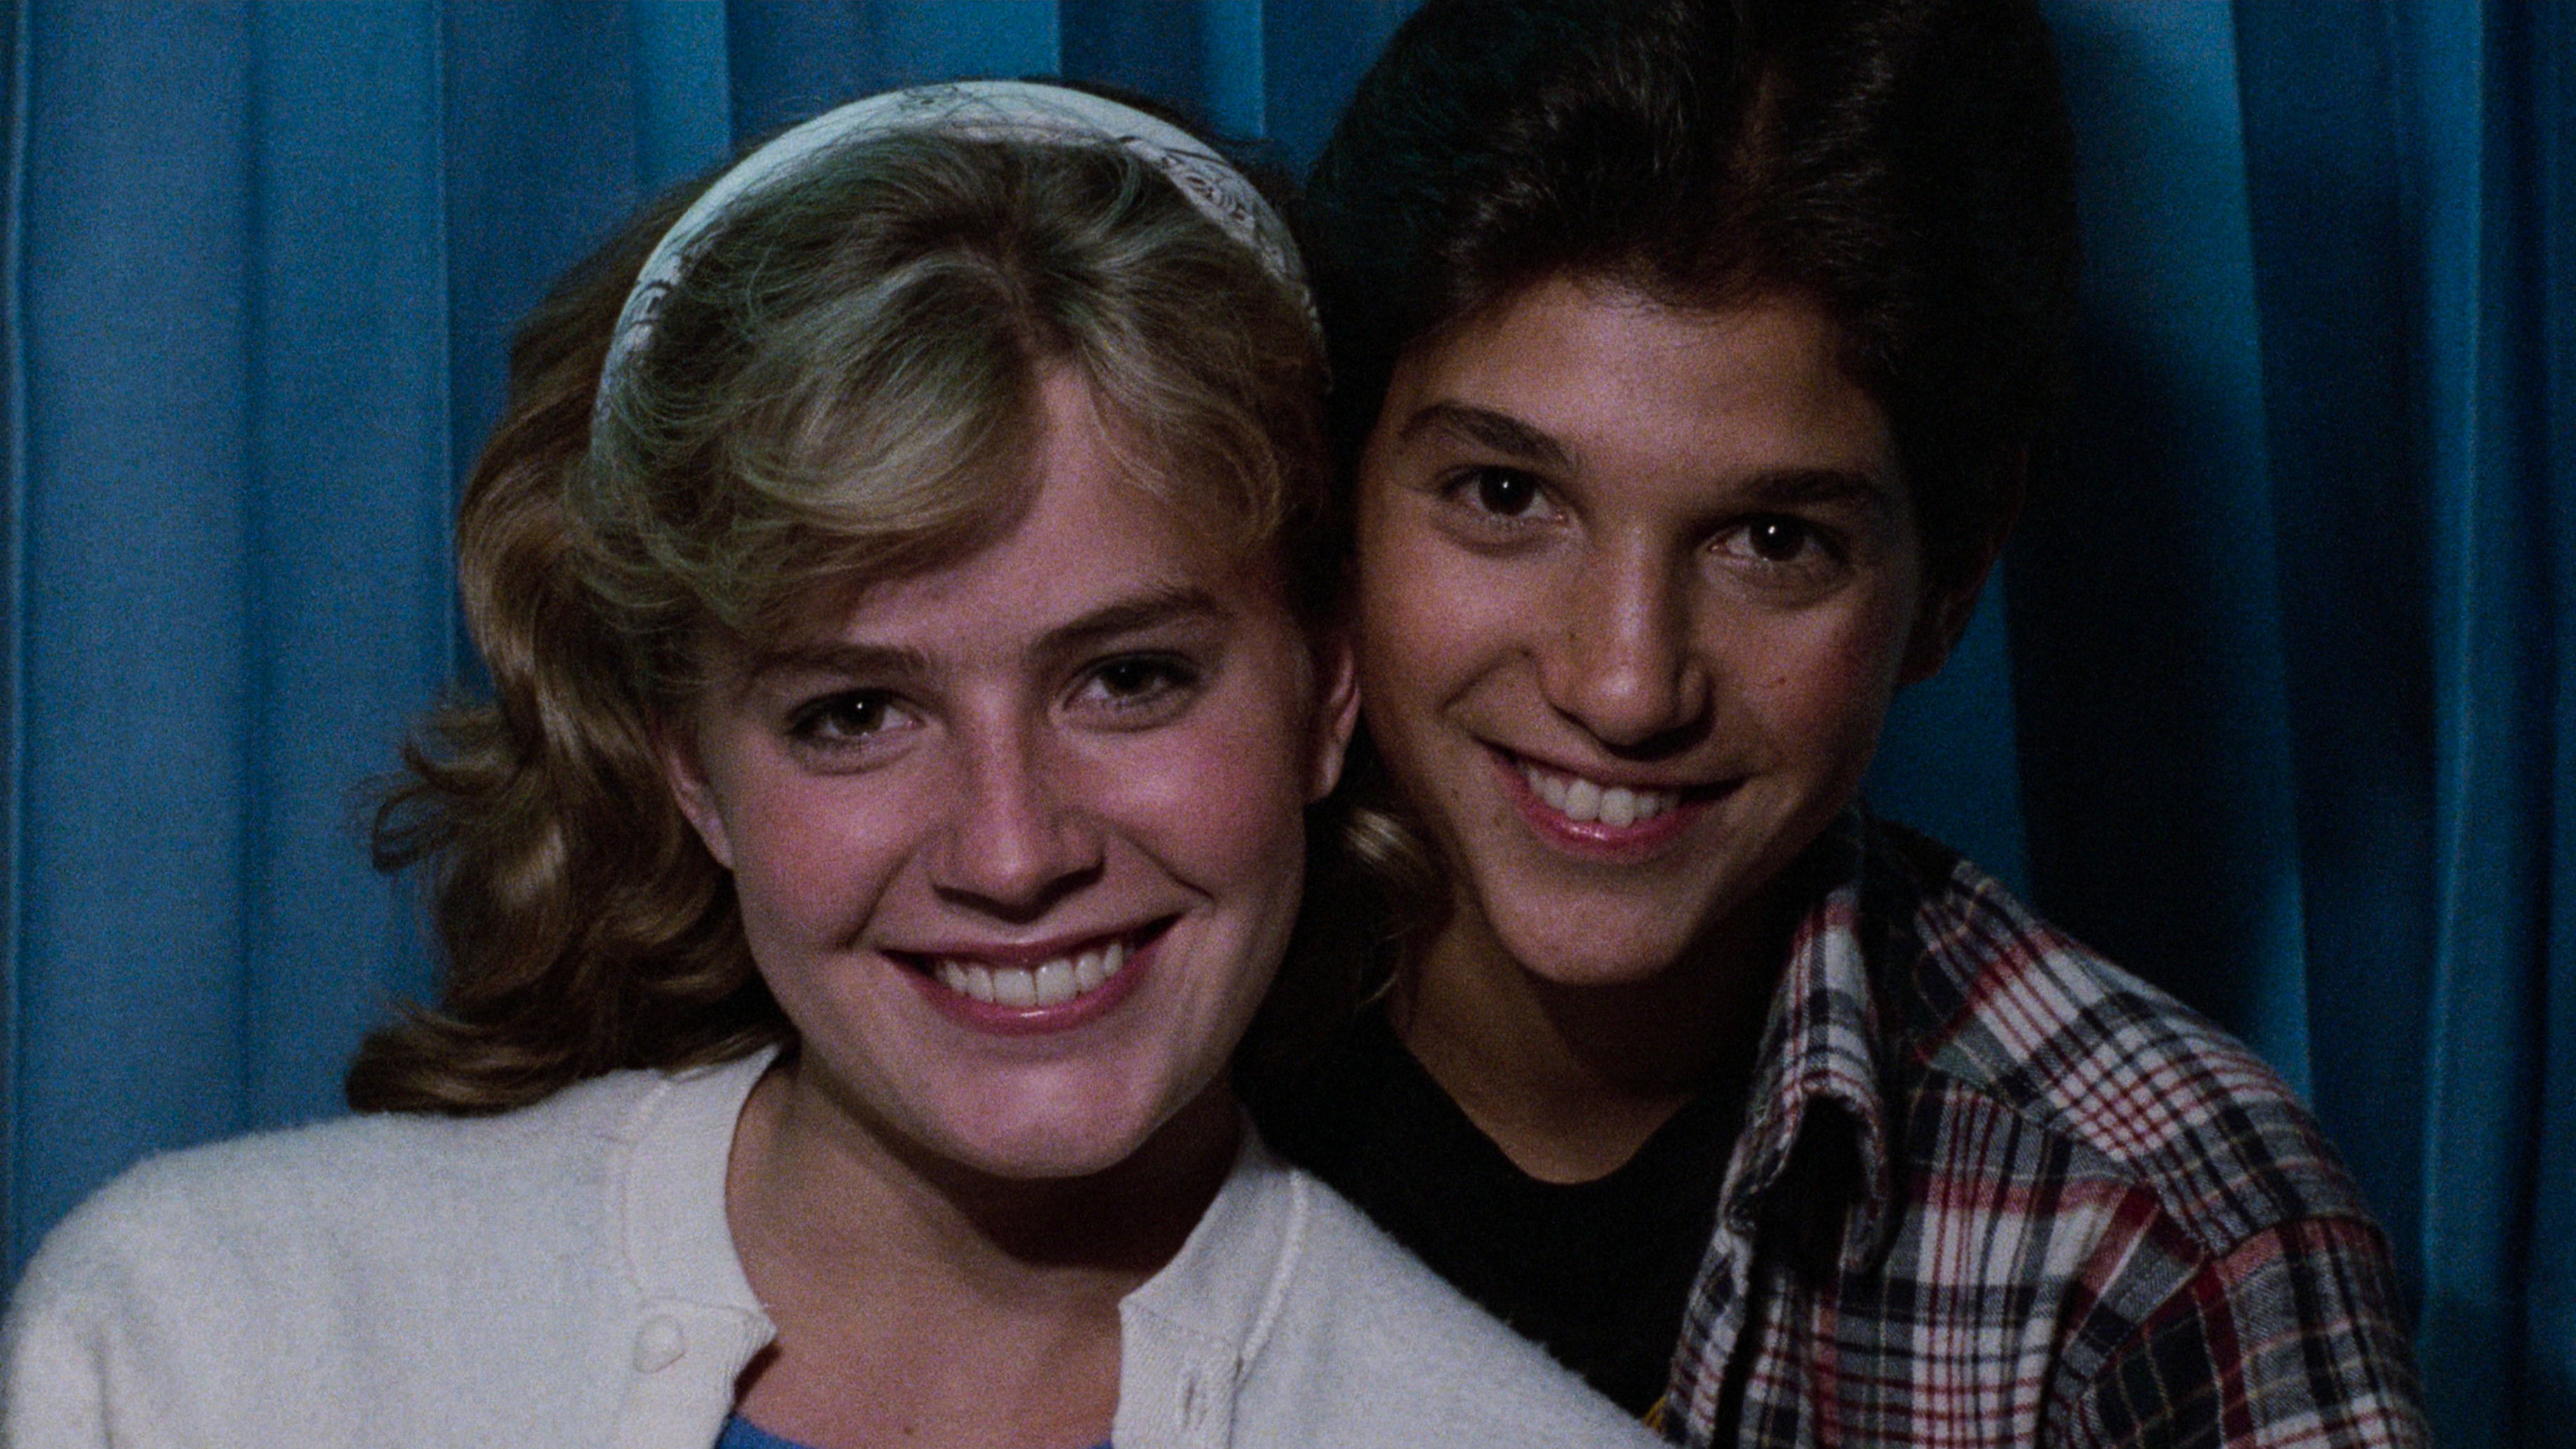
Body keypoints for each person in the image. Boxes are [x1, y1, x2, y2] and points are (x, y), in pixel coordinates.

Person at [2, 82, 1660, 1449]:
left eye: (1128, 680)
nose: (1011, 852)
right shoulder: (200, 1343)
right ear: (688, 766)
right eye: (853, 714)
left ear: (1326, 694)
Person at [1243, 4, 2434, 1446]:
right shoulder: (1123, 1056)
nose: (1625, 686)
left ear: (1952, 578)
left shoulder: (2164, 1241)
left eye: (1773, 541)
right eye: (1506, 496)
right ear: (1333, 504)